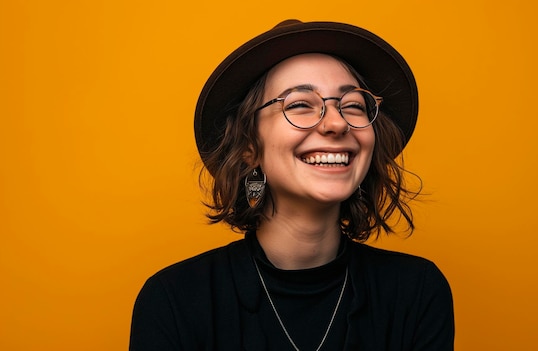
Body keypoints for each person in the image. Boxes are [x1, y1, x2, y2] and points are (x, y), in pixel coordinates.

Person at [130, 19, 454, 350]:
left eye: (354, 105)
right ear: (248, 146)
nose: (337, 122)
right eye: (299, 104)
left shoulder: (417, 294)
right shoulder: (173, 301)